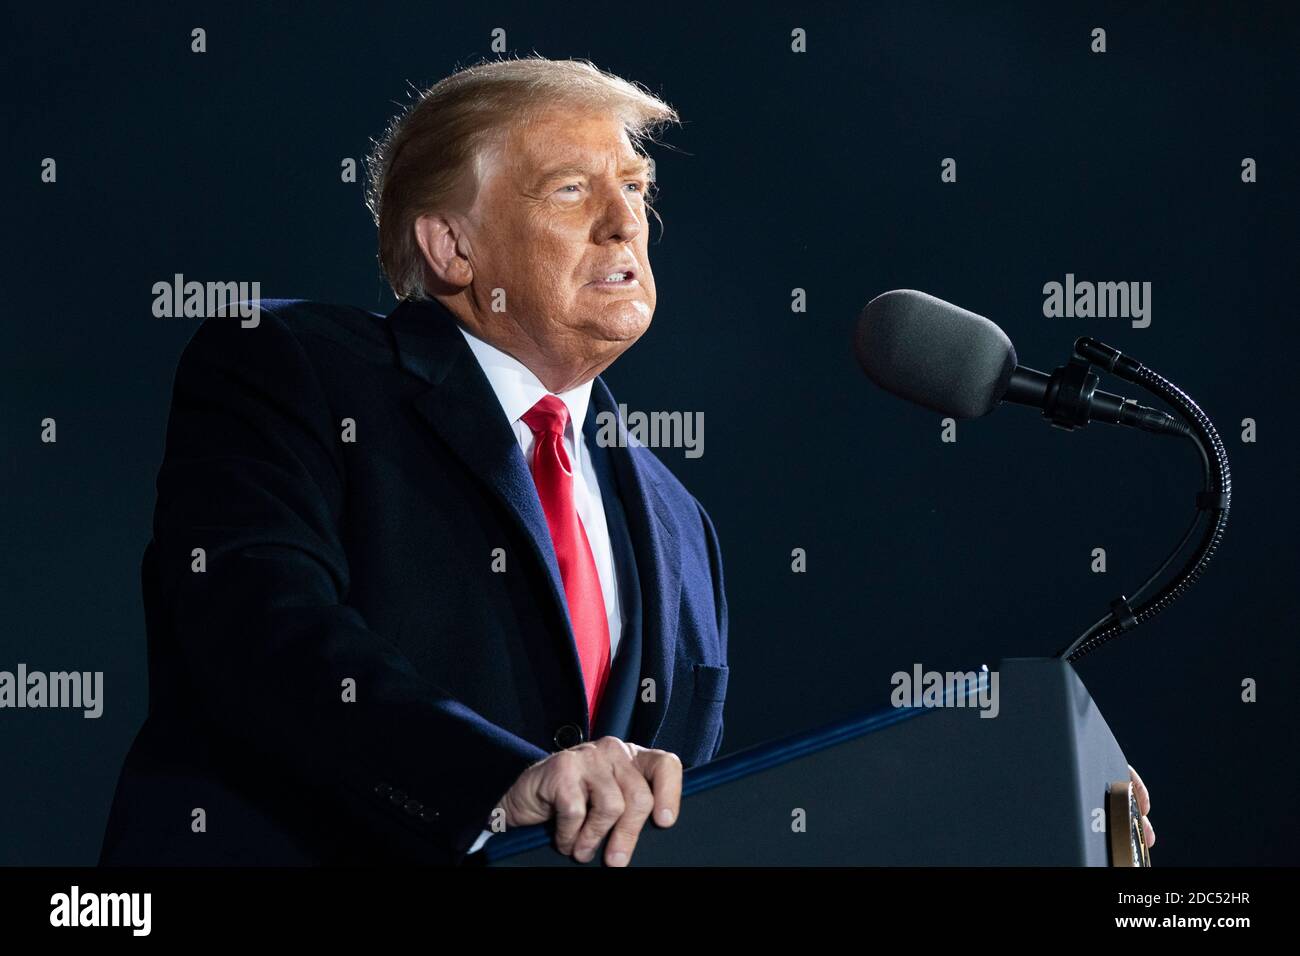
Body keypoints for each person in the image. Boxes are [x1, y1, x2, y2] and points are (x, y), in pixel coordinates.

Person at [99, 57, 728, 867]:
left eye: (635, 187)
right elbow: (261, 633)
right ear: (451, 246)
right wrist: (495, 783)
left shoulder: (682, 525)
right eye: (571, 189)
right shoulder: (291, 368)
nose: (622, 223)